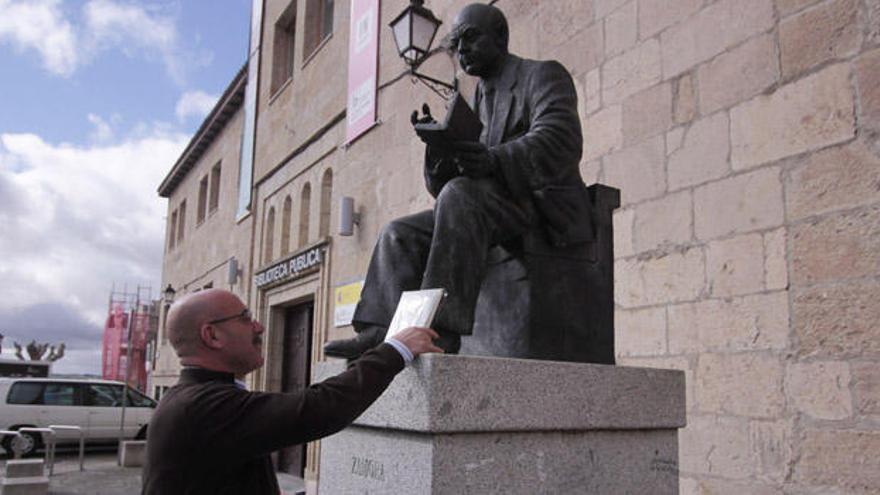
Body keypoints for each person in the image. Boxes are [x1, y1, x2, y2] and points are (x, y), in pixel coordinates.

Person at [324, 3, 591, 360]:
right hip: (489, 206)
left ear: (500, 37)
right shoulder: (477, 100)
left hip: (540, 205)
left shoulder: (541, 75)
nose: (461, 50)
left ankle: (438, 331)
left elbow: (561, 139)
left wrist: (495, 158)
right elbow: (448, 189)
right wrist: (438, 153)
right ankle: (379, 331)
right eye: (455, 43)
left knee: (460, 195)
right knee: (397, 233)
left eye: (469, 38)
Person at [142, 288, 442, 495]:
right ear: (212, 335)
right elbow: (320, 407)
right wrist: (395, 349)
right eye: (245, 317)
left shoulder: (193, 397)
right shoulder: (203, 407)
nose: (259, 326)